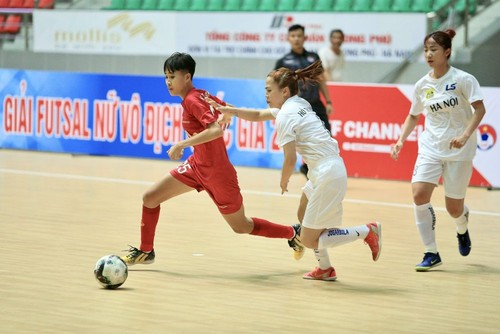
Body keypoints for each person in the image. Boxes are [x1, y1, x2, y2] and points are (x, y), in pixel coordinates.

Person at [121, 52, 304, 266]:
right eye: (166, 77)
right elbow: (224, 108)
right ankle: (146, 251)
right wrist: (227, 113)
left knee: (241, 226)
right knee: (150, 198)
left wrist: (181, 144)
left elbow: (216, 131)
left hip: (218, 174)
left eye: (172, 77)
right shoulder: (199, 95)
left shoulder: (192, 100)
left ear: (187, 77)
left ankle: (293, 233)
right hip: (197, 166)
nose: (168, 82)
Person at [208, 60, 382, 281]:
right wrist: (232, 110)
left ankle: (367, 231)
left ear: (284, 91)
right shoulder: (299, 103)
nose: (266, 95)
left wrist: (283, 180)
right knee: (302, 214)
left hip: (327, 172)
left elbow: (290, 157)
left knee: (309, 239)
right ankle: (325, 269)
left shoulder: (286, 116)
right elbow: (260, 115)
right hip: (324, 170)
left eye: (269, 90)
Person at [390, 29, 486, 272]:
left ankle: (462, 227)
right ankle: (431, 252)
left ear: (447, 52)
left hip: (459, 151)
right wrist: (401, 140)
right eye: (426, 50)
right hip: (430, 148)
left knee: (454, 208)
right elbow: (413, 117)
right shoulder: (422, 85)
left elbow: (480, 110)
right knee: (419, 195)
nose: (428, 54)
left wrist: (465, 135)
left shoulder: (463, 79)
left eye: (433, 50)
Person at [275, 24, 333, 177]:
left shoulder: (313, 57)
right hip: (297, 107)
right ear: (288, 39)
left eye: (299, 36)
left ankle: (312, 169)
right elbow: (276, 86)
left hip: (315, 103)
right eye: (293, 36)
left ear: (304, 38)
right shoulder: (283, 61)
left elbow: (321, 79)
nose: (296, 39)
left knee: (326, 135)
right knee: (302, 139)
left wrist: (328, 101)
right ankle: (309, 169)